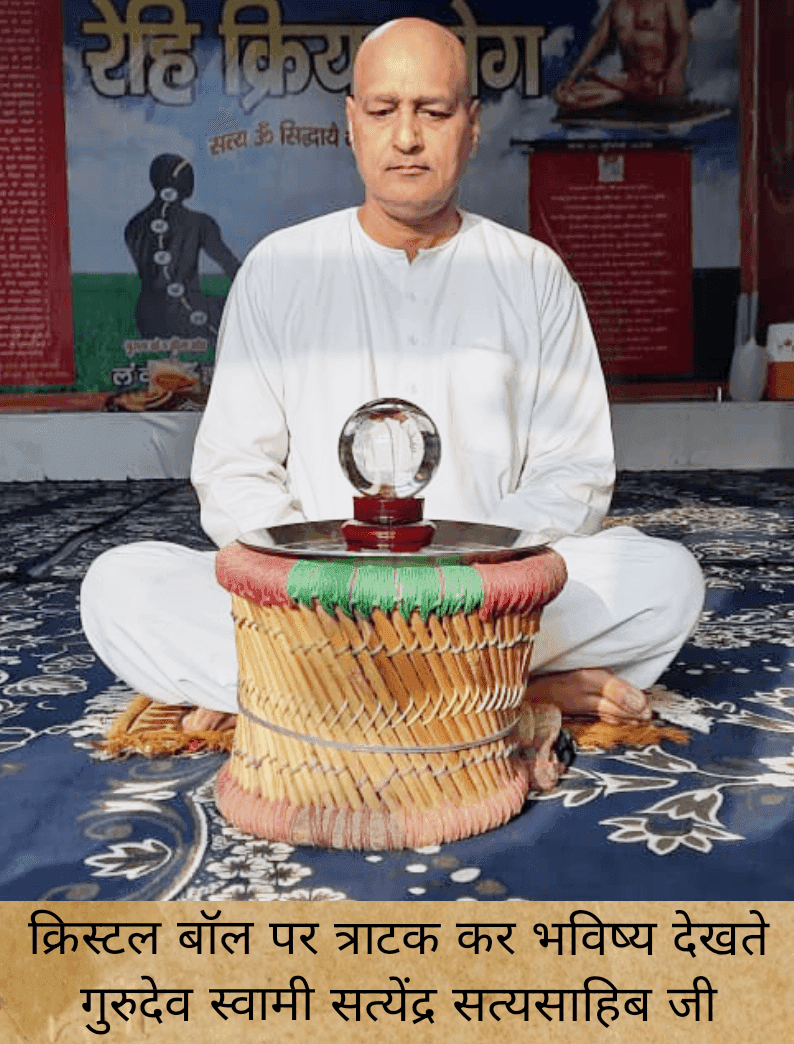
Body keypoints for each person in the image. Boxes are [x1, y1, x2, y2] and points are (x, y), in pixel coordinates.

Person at [81, 17, 704, 737]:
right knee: (120, 584)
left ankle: (315, 698)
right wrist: (322, 574)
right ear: (352, 123)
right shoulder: (282, 269)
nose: (407, 137)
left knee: (664, 579)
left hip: (480, 598)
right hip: (320, 601)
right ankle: (499, 690)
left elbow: (574, 474)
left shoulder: (533, 276)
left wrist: (473, 567)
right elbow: (233, 470)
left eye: (433, 112)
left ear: (470, 127)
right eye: (383, 111)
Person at [125, 154, 240, 341]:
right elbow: (231, 266)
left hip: (146, 320)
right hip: (187, 318)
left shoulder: (133, 226)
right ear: (185, 182)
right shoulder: (200, 223)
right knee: (228, 308)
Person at [553, 0, 689, 111]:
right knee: (565, 96)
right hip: (628, 80)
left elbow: (681, 39)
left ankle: (618, 92)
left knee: (577, 98)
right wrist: (573, 74)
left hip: (660, 80)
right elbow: (599, 39)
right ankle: (621, 93)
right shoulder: (617, 3)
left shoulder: (671, 1)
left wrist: (675, 71)